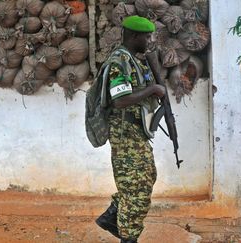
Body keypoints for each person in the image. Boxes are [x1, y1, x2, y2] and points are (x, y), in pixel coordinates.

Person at [94, 16, 166, 243]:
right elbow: (120, 100)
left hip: (135, 133)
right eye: (147, 36)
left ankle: (112, 216)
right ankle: (128, 237)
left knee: (145, 177)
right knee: (137, 191)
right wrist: (153, 89)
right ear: (134, 36)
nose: (150, 40)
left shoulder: (134, 59)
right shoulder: (119, 62)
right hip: (125, 134)